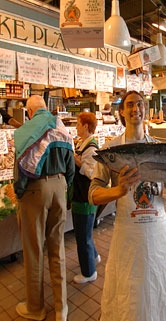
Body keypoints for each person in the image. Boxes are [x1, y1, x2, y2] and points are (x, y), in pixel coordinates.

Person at [89, 90, 166, 321]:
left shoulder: (161, 149)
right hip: (127, 232)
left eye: (139, 104)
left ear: (145, 109)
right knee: (129, 287)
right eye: (129, 105)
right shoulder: (111, 150)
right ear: (122, 112)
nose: (135, 109)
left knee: (159, 284)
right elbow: (93, 194)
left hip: (158, 230)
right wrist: (117, 191)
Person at [13, 95, 75, 321]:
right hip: (60, 186)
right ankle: (61, 308)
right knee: (57, 247)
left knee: (34, 250)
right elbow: (70, 166)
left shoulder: (26, 130)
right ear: (44, 108)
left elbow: (19, 167)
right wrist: (65, 192)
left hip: (35, 190)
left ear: (29, 112)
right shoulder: (61, 127)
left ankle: (35, 308)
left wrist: (19, 192)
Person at [71, 112, 100, 284]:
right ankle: (94, 257)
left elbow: (93, 173)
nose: (76, 126)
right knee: (85, 232)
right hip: (80, 194)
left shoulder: (92, 148)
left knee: (82, 235)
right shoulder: (83, 143)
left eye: (78, 123)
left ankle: (89, 273)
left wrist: (78, 162)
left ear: (86, 127)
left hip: (85, 196)